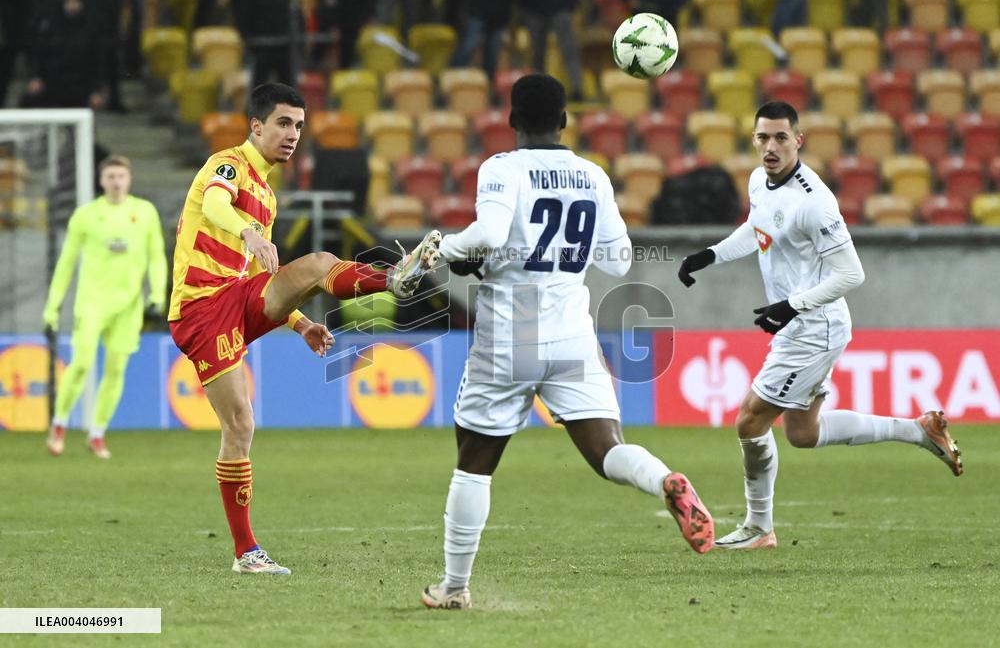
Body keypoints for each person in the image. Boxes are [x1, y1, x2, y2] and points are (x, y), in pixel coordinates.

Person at [420, 74, 714, 610]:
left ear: (510, 121)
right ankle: (664, 479)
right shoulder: (592, 175)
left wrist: (442, 250)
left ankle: (455, 588)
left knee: (474, 460)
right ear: (564, 122)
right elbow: (618, 260)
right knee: (608, 450)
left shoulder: (501, 168)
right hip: (572, 332)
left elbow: (486, 236)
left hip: (511, 331)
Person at [168, 82, 440, 575]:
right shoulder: (226, 164)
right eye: (283, 123)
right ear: (257, 125)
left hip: (239, 296)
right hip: (202, 308)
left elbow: (258, 273)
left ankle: (393, 278)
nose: (293, 134)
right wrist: (247, 230)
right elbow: (212, 204)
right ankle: (246, 553)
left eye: (298, 125)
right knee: (240, 425)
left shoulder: (268, 196)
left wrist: (299, 322)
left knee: (316, 263)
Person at [677, 101, 963, 551]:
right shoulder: (759, 181)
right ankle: (919, 430)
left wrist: (792, 305)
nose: (770, 147)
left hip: (814, 326)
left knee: (750, 419)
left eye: (780, 138)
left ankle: (758, 527)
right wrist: (710, 255)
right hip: (801, 323)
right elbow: (757, 230)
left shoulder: (816, 202)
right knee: (802, 434)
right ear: (753, 139)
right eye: (762, 138)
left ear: (799, 140)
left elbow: (852, 274)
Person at [44, 155, 168, 459]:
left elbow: (156, 255)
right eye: (110, 176)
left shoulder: (144, 212)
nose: (116, 182)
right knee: (83, 363)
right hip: (92, 301)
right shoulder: (86, 215)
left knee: (116, 369)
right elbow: (66, 263)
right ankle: (59, 423)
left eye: (121, 176)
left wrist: (157, 296)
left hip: (128, 305)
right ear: (102, 181)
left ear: (129, 179)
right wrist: (52, 308)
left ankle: (97, 433)